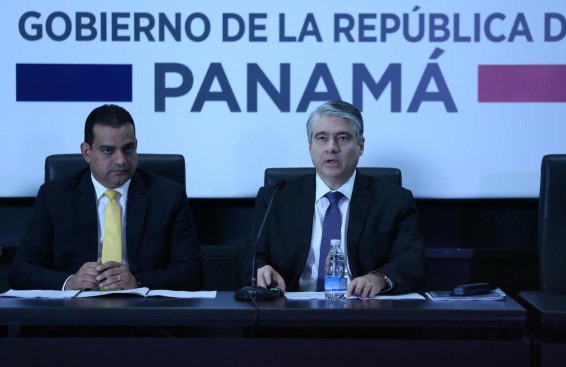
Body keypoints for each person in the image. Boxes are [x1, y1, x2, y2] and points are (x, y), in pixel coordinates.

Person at [237, 100, 427, 298]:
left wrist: (379, 279)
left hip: (365, 312)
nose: (331, 148)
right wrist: (261, 269)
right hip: (291, 312)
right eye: (321, 138)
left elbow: (413, 261)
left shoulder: (393, 200)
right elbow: (249, 257)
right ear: (310, 146)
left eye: (342, 138)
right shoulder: (277, 197)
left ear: (360, 146)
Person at [10, 104, 203, 291]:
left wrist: (137, 281)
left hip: (145, 315)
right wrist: (70, 281)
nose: (120, 160)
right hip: (74, 315)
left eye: (128, 149)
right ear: (87, 152)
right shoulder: (54, 197)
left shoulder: (168, 195)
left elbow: (192, 272)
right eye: (108, 150)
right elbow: (21, 271)